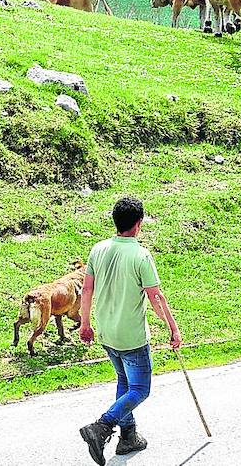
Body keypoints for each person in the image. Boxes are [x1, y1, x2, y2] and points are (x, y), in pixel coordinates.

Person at [77, 197, 182, 465]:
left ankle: (128, 437)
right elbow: (156, 297)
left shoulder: (98, 249)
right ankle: (102, 426)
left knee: (124, 384)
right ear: (139, 224)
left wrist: (85, 323)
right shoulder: (141, 255)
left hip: (106, 333)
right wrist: (173, 328)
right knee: (140, 389)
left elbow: (86, 289)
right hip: (132, 336)